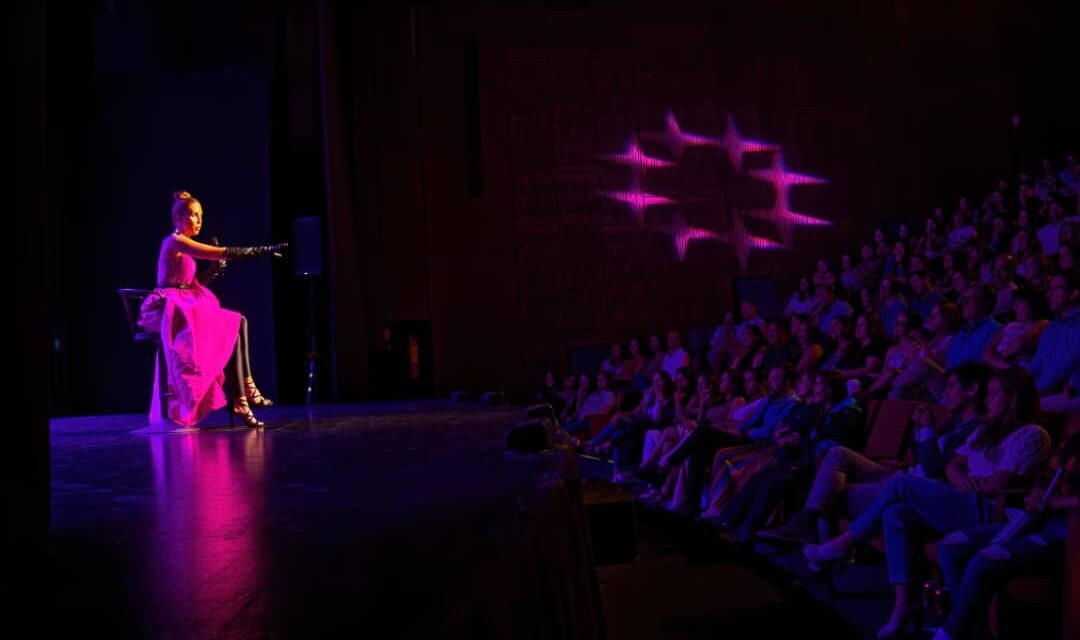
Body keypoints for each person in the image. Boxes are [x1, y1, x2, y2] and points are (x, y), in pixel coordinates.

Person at [802, 367, 1050, 639]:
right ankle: (903, 606)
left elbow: (1000, 484)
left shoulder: (1032, 434)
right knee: (896, 514)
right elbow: (954, 464)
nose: (987, 400)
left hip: (992, 510)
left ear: (1014, 397)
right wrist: (962, 482)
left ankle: (841, 544)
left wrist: (974, 483)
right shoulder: (987, 431)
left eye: (993, 394)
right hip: (963, 497)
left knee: (900, 485)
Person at [141, 191, 286, 428]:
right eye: (193, 215)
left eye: (201, 216)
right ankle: (242, 397)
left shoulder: (184, 245)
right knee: (232, 324)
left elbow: (189, 283)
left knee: (239, 322)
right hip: (168, 310)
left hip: (184, 304)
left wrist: (210, 273)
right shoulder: (174, 241)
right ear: (178, 220)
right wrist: (262, 251)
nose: (199, 221)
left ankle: (244, 390)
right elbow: (217, 252)